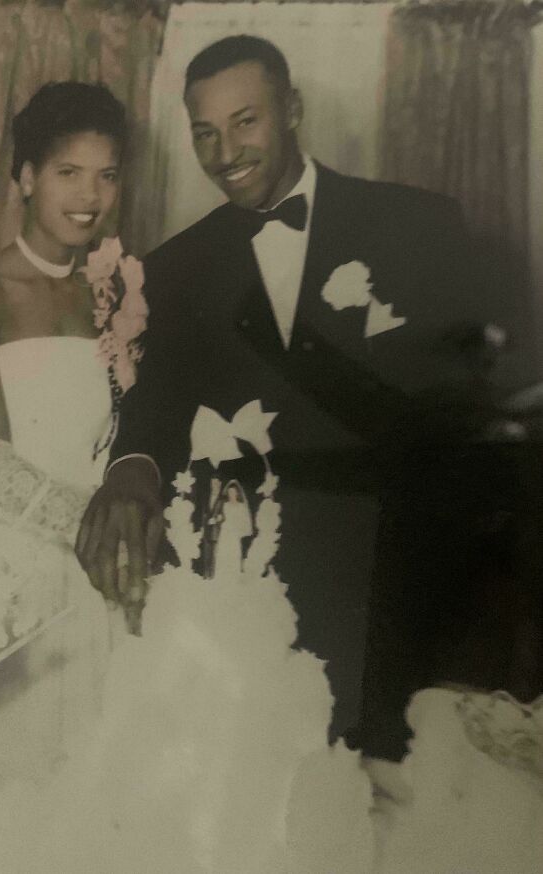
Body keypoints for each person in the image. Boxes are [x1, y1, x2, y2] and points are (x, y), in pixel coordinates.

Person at [77, 35, 499, 756]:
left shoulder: (418, 223)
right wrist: (131, 466)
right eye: (205, 133)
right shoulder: (176, 267)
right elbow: (156, 405)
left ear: (293, 109)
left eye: (246, 121)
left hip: (398, 583)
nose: (225, 152)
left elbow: (467, 418)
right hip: (257, 592)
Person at [0, 80, 133, 759]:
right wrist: (105, 532)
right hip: (8, 573)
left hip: (105, 569)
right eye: (68, 173)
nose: (90, 197)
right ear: (25, 177)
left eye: (107, 176)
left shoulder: (116, 296)